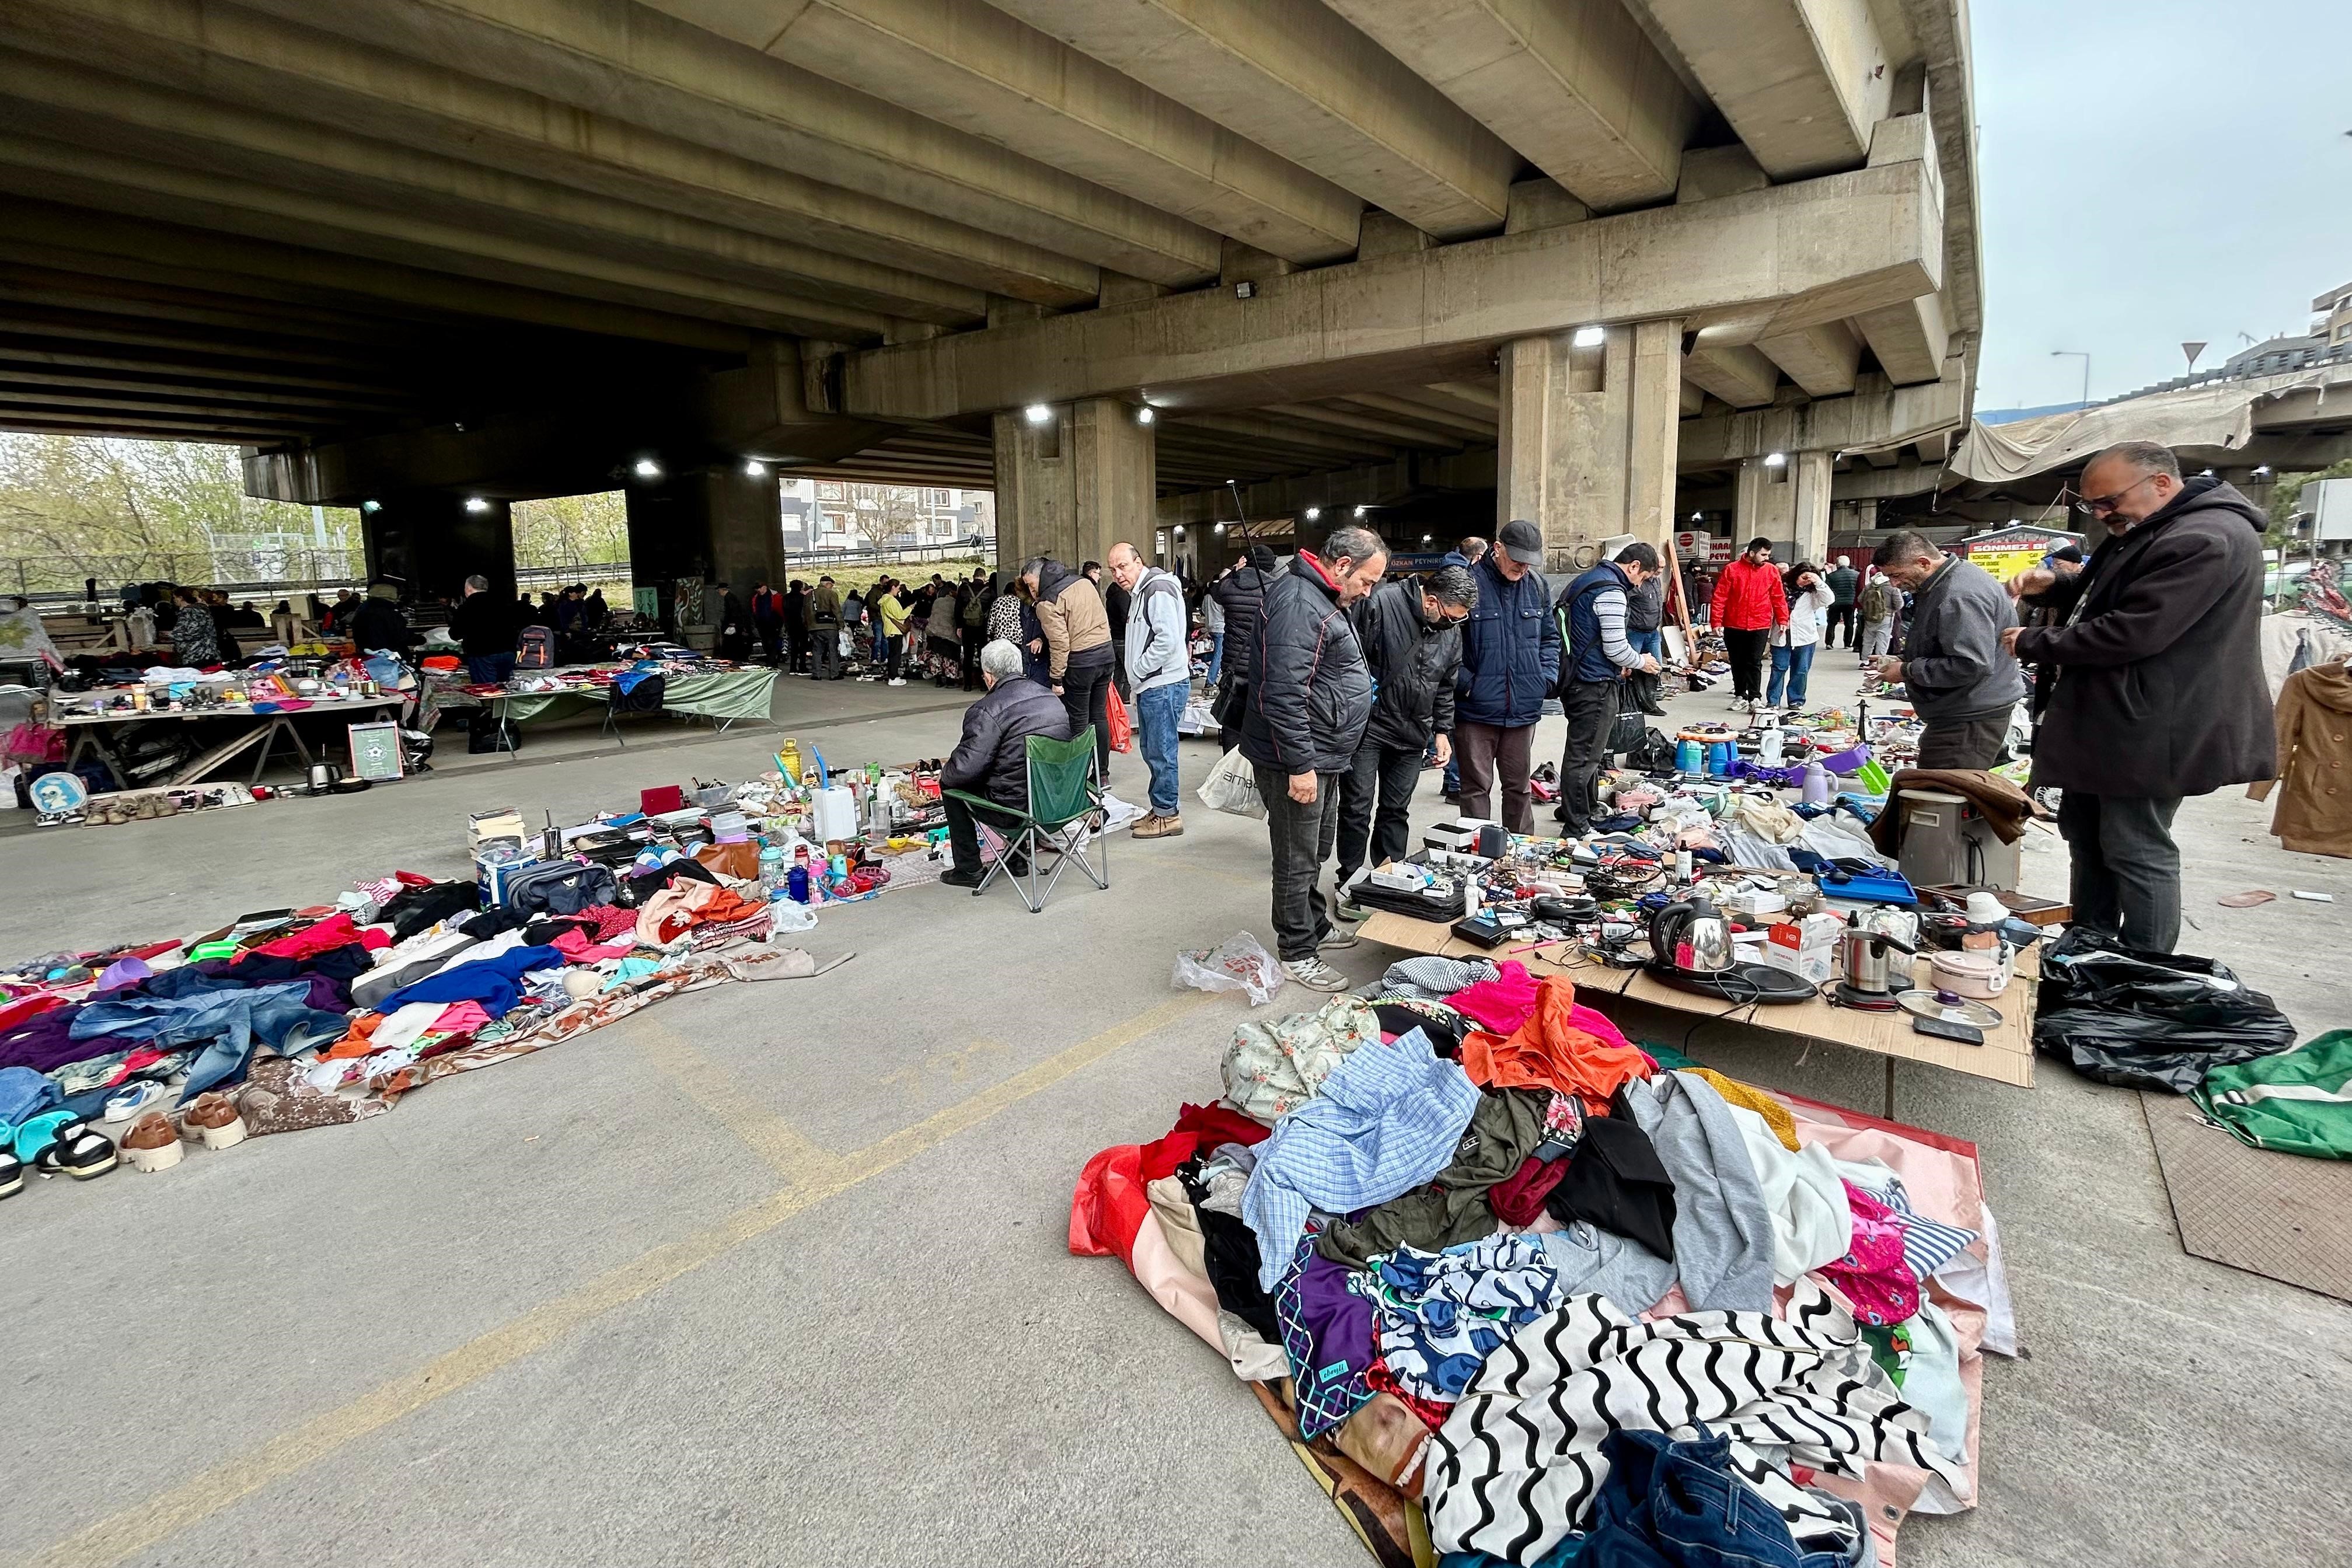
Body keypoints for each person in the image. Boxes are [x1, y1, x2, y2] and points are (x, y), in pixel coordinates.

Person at [2002, 441, 2274, 953]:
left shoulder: (2205, 537)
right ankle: (2089, 941)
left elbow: (2135, 630)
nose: (2103, 514)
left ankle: (2142, 967)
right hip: (2115, 722)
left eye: (2109, 502)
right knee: (2086, 836)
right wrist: (2059, 584)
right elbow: (2115, 590)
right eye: (2093, 506)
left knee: (2135, 846)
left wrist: (2034, 640)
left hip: (2154, 727)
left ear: (2162, 484)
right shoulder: (2153, 530)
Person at [1240, 525, 1387, 993]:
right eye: (1367, 581)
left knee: (1315, 850)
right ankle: (1297, 951)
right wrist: (1300, 765)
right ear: (1342, 565)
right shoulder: (1301, 603)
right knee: (1296, 857)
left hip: (1323, 753)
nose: (1368, 592)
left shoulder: (1322, 597)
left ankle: (1315, 926)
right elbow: (1283, 694)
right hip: (1298, 759)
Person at [1334, 564, 1471, 910]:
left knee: (1396, 810)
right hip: (1369, 727)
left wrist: (1442, 731)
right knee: (1356, 807)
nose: (1454, 625)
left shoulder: (1451, 628)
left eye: (1461, 620)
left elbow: (1446, 684)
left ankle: (1387, 876)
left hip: (1413, 732)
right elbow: (1349, 662)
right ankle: (1349, 878)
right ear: (1432, 602)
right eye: (1451, 617)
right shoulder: (1381, 603)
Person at [1868, 531, 2024, 768]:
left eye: (1897, 575)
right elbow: (1949, 643)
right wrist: (1901, 659)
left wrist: (1907, 671)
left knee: (1941, 794)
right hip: (1968, 709)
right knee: (1944, 792)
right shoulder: (1949, 579)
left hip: (1970, 715)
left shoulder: (1958, 595)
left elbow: (1971, 665)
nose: (1894, 584)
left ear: (1924, 563)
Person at [937, 639, 1075, 889]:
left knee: (951, 786)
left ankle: (969, 869)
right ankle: (1017, 860)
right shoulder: (1051, 698)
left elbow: (963, 771)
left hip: (1016, 813)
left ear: (989, 677)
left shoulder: (986, 710)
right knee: (1018, 773)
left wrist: (945, 771)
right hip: (1060, 802)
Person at [1451, 518, 1558, 833]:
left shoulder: (1536, 587)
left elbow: (1550, 638)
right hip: (1476, 711)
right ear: (1497, 549)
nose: (1523, 568)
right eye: (1517, 560)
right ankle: (1477, 858)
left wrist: (1544, 679)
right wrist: (1469, 685)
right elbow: (1445, 646)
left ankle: (1522, 855)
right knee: (1474, 790)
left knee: (1520, 789)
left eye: (1530, 562)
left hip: (1523, 709)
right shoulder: (1467, 584)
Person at [1552, 543, 1662, 835]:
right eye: (1645, 577)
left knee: (1586, 751)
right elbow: (1615, 648)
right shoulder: (1612, 591)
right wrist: (1643, 662)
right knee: (1585, 755)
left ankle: (1582, 811)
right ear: (1634, 566)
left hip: (1576, 679)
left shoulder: (1586, 579)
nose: (1640, 585)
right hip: (1595, 684)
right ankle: (1576, 826)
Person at [1108, 542, 1190, 838]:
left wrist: (1140, 669)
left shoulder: (1157, 589)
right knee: (1154, 749)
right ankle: (1161, 808)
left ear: (1138, 562)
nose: (1118, 574)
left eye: (1123, 566)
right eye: (1113, 569)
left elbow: (1167, 641)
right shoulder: (1142, 592)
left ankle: (1168, 815)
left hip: (1162, 684)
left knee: (1161, 751)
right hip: (1153, 685)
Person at [1024, 556, 1117, 776]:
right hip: (1106, 656)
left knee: (1078, 722)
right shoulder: (1084, 583)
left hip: (1081, 663)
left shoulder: (1047, 602)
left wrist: (1056, 679)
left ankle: (1077, 776)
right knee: (1099, 717)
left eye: (1031, 585)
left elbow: (1060, 643)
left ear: (1041, 577)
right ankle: (1102, 774)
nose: (1031, 591)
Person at [1210, 544, 1278, 752]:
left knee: (1232, 721)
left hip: (1234, 664)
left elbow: (1214, 590)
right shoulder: (1275, 589)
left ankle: (1231, 767)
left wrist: (1234, 570)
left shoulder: (1229, 587)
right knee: (1260, 721)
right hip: (1263, 666)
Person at [1714, 537, 1787, 711]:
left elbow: (1778, 596)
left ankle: (1755, 697)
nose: (1767, 558)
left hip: (1760, 624)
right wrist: (1716, 621)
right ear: (1752, 553)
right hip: (1734, 624)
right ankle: (1740, 695)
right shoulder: (1732, 570)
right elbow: (1720, 596)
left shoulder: (1771, 571)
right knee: (1737, 661)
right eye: (1763, 554)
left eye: (1768, 554)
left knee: (1754, 662)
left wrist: (1783, 619)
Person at [1766, 561, 1833, 711]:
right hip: (1782, 633)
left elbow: (1830, 600)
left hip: (1805, 637)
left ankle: (1796, 700)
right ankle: (1773, 701)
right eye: (1804, 577)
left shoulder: (1814, 593)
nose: (1806, 582)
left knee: (1801, 670)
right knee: (1779, 668)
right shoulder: (1782, 587)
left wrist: (1818, 582)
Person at [449, 574, 519, 685]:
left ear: (468, 588)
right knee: (506, 688)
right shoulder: (502, 603)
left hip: (483, 655)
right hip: (508, 653)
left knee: (487, 690)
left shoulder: (466, 607)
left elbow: (455, 634)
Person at [1621, 564, 1667, 716]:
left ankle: (1650, 704)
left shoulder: (1656, 581)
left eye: (1663, 567)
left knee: (1655, 667)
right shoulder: (1637, 582)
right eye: (1659, 567)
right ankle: (1631, 703)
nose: (1661, 570)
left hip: (1652, 632)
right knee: (1631, 667)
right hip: (1636, 631)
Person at [1098, 559, 1134, 703]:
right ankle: (1125, 701)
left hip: (1114, 638)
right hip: (1124, 639)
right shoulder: (1122, 595)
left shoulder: (1111, 596)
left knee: (1119, 673)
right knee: (1127, 673)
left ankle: (1117, 701)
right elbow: (1127, 618)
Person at [169, 585, 222, 666]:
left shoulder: (189, 612)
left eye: (174, 598)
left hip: (195, 654)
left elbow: (192, 633)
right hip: (207, 652)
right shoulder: (202, 611)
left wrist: (173, 635)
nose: (174, 600)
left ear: (181, 598)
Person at [871, 574, 909, 684]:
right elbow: (900, 615)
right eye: (898, 588)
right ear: (893, 587)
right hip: (895, 630)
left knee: (893, 653)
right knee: (895, 655)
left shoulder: (884, 600)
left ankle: (893, 676)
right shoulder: (891, 601)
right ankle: (893, 678)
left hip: (890, 630)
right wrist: (909, 609)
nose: (899, 590)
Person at [1857, 568, 1899, 661]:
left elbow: (1860, 599)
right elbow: (1899, 604)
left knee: (1868, 640)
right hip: (1886, 616)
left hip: (1869, 617)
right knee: (1882, 640)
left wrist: (1869, 608)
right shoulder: (1892, 588)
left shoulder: (1869, 586)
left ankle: (1864, 661)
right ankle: (1879, 661)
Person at [809, 574, 845, 680]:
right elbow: (836, 610)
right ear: (828, 584)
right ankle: (834, 674)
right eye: (832, 585)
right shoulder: (831, 594)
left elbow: (806, 612)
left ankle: (816, 674)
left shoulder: (810, 595)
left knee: (817, 651)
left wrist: (809, 626)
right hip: (830, 627)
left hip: (815, 627)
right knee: (832, 651)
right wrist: (841, 625)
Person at [958, 570, 988, 691]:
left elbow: (958, 608)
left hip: (967, 627)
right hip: (983, 628)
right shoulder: (989, 590)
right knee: (983, 656)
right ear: (984, 577)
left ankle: (968, 685)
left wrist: (959, 626)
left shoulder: (964, 589)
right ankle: (983, 684)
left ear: (973, 576)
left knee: (968, 656)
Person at [1824, 554, 1860, 649]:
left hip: (1835, 603)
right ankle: (1847, 644)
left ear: (1837, 564)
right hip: (1850, 603)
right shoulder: (1856, 575)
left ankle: (1829, 643)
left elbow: (1828, 590)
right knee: (1849, 624)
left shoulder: (1831, 576)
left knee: (1832, 623)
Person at [1201, 575, 1226, 689]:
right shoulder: (1220, 596)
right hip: (1221, 628)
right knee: (1219, 656)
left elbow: (1203, 610)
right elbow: (1225, 612)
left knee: (1217, 654)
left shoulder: (1207, 596)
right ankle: (1210, 681)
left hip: (1211, 628)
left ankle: (1215, 679)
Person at [716, 581, 751, 661]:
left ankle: (734, 657)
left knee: (732, 641)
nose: (719, 592)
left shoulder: (730, 598)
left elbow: (734, 610)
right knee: (732, 641)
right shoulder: (730, 597)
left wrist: (733, 623)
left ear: (722, 590)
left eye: (719, 590)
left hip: (733, 623)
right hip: (734, 623)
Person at [751, 581, 783, 664]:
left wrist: (780, 623)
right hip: (762, 624)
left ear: (765, 587)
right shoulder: (756, 598)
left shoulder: (775, 596)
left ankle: (772, 661)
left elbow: (780, 610)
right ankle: (771, 660)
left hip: (774, 623)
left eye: (759, 588)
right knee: (766, 643)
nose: (758, 590)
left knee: (773, 642)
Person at [783, 579, 810, 672]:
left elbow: (784, 612)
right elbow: (807, 612)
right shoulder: (804, 598)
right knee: (803, 647)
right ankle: (802, 666)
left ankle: (793, 668)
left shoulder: (786, 598)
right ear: (800, 587)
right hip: (802, 625)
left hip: (791, 625)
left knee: (794, 646)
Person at [1686, 564, 1714, 629]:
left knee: (1697, 618)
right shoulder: (1711, 585)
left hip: (1699, 603)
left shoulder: (1698, 584)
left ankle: (1697, 628)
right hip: (1708, 604)